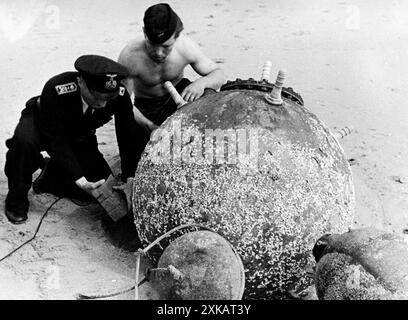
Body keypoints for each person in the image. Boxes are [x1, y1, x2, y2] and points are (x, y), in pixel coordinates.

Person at [4, 55, 139, 224]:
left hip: (79, 134)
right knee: (23, 144)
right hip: (42, 125)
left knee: (100, 190)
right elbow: (55, 140)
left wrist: (130, 178)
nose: (102, 104)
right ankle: (16, 200)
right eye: (96, 97)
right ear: (81, 82)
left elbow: (127, 134)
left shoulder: (119, 95)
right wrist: (80, 179)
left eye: (107, 99)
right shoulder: (57, 88)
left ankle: (49, 177)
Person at [118, 2, 225, 164]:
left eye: (166, 46)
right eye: (153, 45)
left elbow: (219, 75)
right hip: (145, 109)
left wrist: (201, 83)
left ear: (177, 36)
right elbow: (123, 102)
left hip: (178, 99)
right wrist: (149, 126)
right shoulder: (130, 56)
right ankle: (129, 174)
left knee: (209, 94)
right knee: (121, 116)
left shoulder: (186, 47)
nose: (159, 53)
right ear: (144, 33)